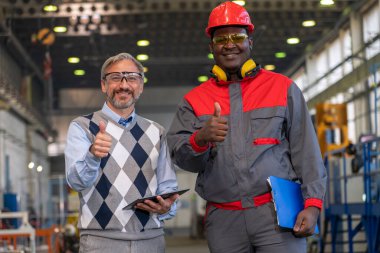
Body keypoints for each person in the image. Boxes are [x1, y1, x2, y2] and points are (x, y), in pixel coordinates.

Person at [167, 2, 327, 253]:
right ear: (212, 47)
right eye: (221, 39)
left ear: (250, 41)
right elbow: (181, 158)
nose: (229, 44)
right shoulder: (194, 101)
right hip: (224, 220)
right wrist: (200, 139)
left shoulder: (283, 89)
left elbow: (306, 151)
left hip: (277, 215)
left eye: (237, 36)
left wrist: (313, 203)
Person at [65, 52, 179, 253]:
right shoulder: (82, 127)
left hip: (151, 241)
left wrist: (167, 207)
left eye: (132, 78)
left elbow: (168, 187)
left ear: (141, 86)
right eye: (115, 78)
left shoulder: (157, 131)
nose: (124, 85)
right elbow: (76, 182)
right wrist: (92, 155)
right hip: (100, 243)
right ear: (103, 85)